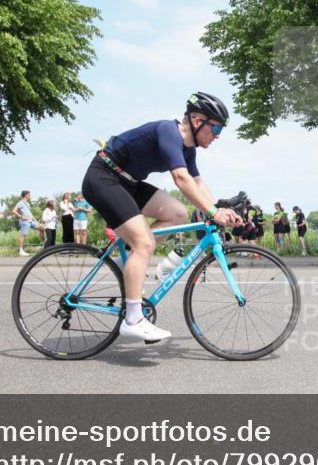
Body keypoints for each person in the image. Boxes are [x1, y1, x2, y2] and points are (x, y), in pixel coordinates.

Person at [80, 91, 242, 343]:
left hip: (129, 183)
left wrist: (220, 209)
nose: (219, 135)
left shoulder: (189, 149)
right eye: (217, 128)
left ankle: (128, 250)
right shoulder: (168, 131)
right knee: (145, 243)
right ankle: (133, 320)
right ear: (197, 121)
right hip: (104, 177)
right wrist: (212, 212)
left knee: (177, 213)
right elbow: (181, 179)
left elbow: (197, 182)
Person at [11, 190, 39, 257]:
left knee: (41, 228)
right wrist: (20, 216)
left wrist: (37, 222)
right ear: (26, 195)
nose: (30, 196)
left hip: (31, 221)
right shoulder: (20, 203)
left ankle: (45, 247)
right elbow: (13, 211)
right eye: (29, 195)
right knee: (23, 235)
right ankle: (21, 251)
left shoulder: (28, 204)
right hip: (25, 221)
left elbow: (30, 214)